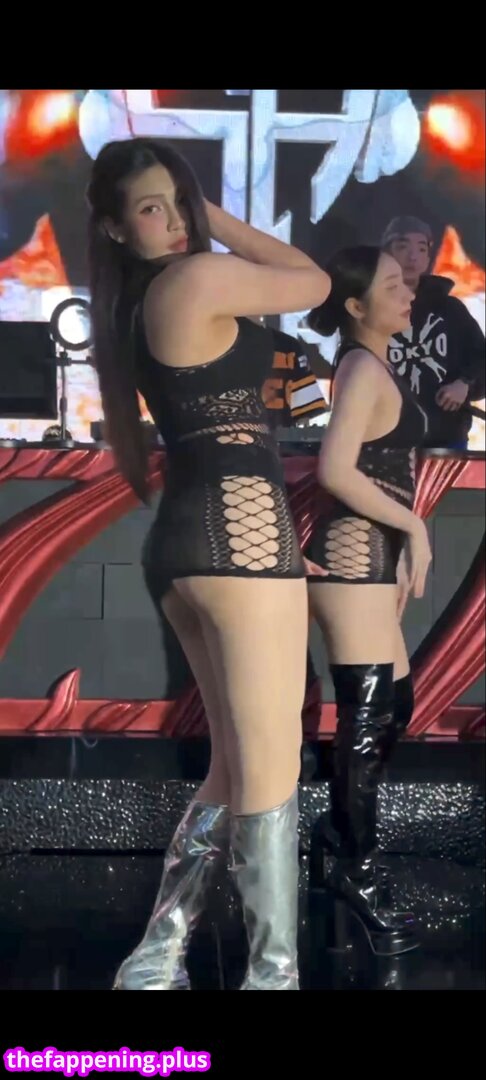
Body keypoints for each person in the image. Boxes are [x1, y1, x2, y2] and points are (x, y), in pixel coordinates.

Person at [86, 137, 330, 990]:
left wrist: (187, 213)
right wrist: (212, 216)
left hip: (191, 545)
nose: (175, 220)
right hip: (239, 539)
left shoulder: (137, 302)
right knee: (271, 763)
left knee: (234, 764)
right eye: (151, 207)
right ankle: (273, 976)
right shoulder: (196, 279)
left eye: (178, 201)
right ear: (115, 227)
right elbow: (312, 281)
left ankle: (156, 959)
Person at [304, 246, 431, 955]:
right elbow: (334, 468)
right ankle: (357, 871)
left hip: (373, 557)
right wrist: (415, 527)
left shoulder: (372, 365)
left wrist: (406, 537)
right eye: (392, 284)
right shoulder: (358, 367)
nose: (407, 291)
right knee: (368, 715)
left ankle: (336, 836)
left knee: (393, 707)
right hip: (355, 554)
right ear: (356, 306)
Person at [382, 216, 485, 450]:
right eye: (403, 246)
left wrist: (465, 384)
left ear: (428, 257)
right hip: (385, 440)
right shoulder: (369, 307)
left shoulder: (450, 309)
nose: (413, 256)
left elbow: (482, 358)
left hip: (446, 440)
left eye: (421, 248)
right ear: (386, 253)